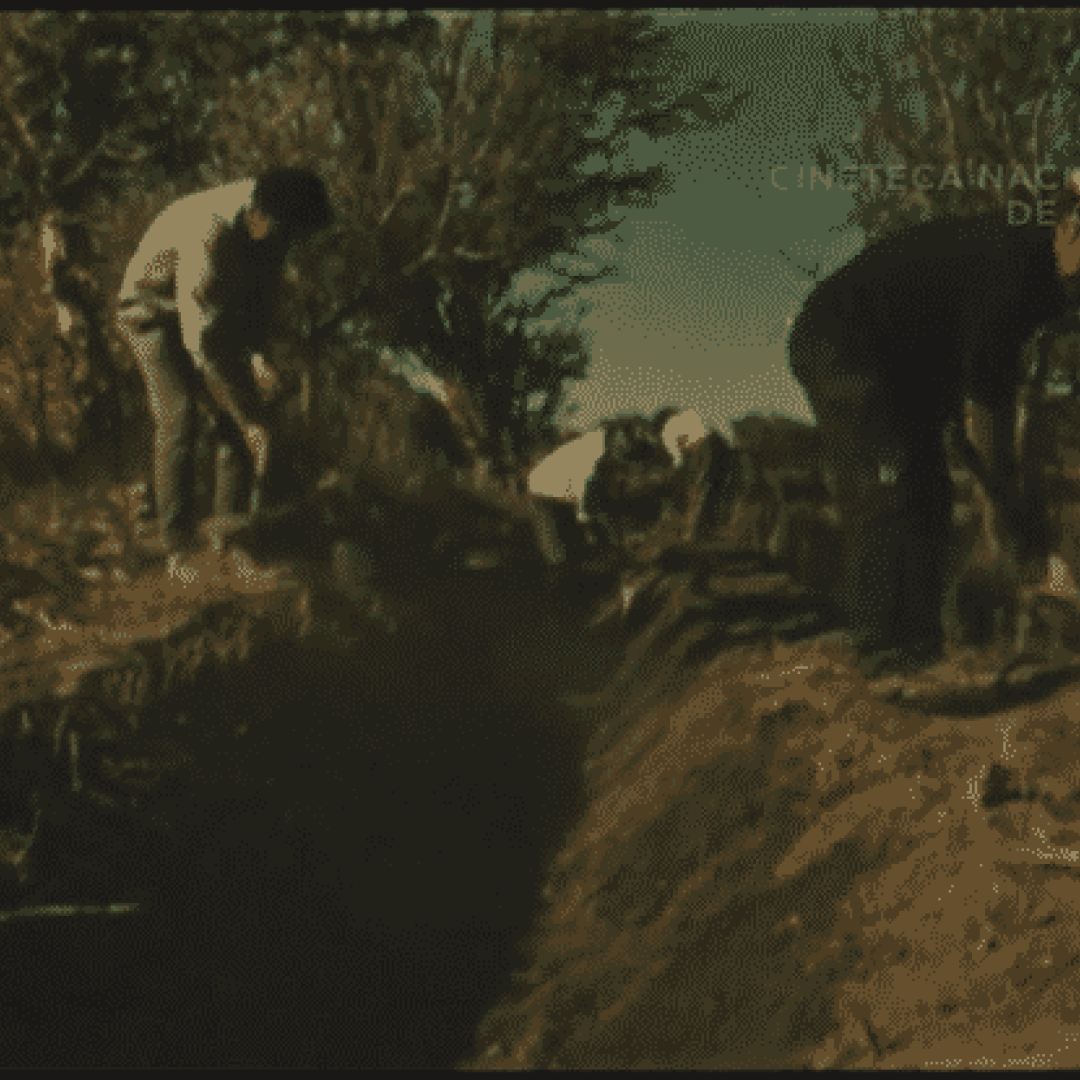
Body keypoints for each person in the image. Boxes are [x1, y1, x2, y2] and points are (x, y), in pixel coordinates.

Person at [788, 184, 1080, 677]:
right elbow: (987, 421)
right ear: (1070, 228)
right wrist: (1028, 542)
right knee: (892, 483)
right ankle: (881, 654)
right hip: (841, 340)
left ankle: (920, 652)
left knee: (931, 491)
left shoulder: (1043, 279)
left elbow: (977, 418)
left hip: (908, 365)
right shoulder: (1008, 262)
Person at [115, 167, 334, 577]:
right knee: (181, 414)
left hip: (209, 316)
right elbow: (203, 347)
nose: (295, 244)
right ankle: (177, 550)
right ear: (261, 217)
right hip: (151, 312)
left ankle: (231, 542)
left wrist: (259, 357)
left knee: (238, 427)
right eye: (293, 234)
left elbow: (260, 301)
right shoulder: (210, 234)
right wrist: (249, 419)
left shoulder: (274, 229)